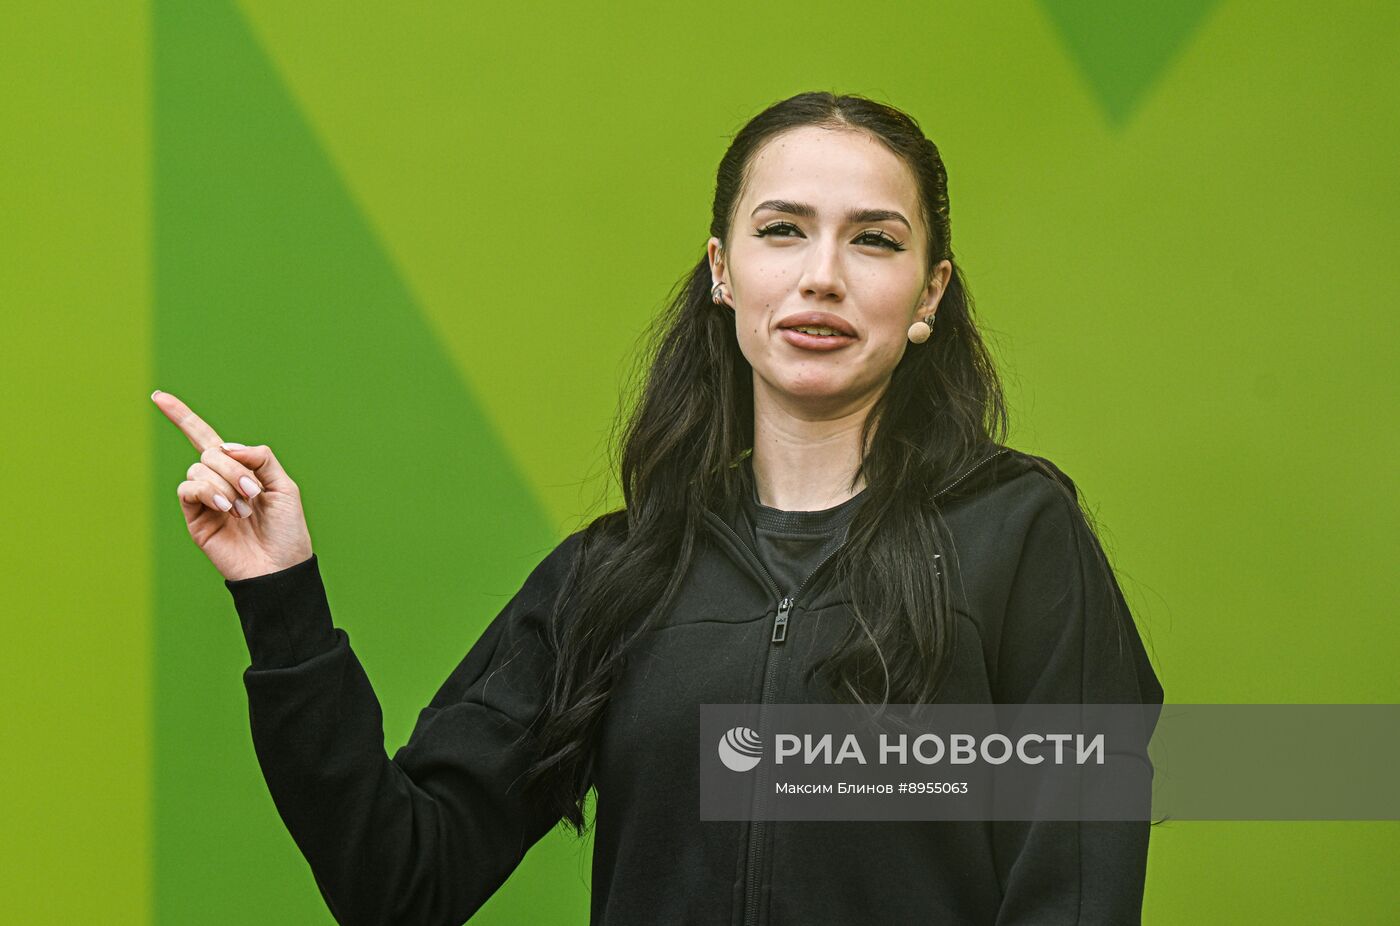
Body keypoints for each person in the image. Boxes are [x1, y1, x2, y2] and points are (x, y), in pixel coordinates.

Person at [153, 91, 1164, 925]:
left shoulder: (1019, 535)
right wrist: (280, 596)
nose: (821, 276)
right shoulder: (619, 574)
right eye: (781, 231)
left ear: (929, 293)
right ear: (723, 270)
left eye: (873, 240)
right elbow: (400, 884)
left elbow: (1077, 887)